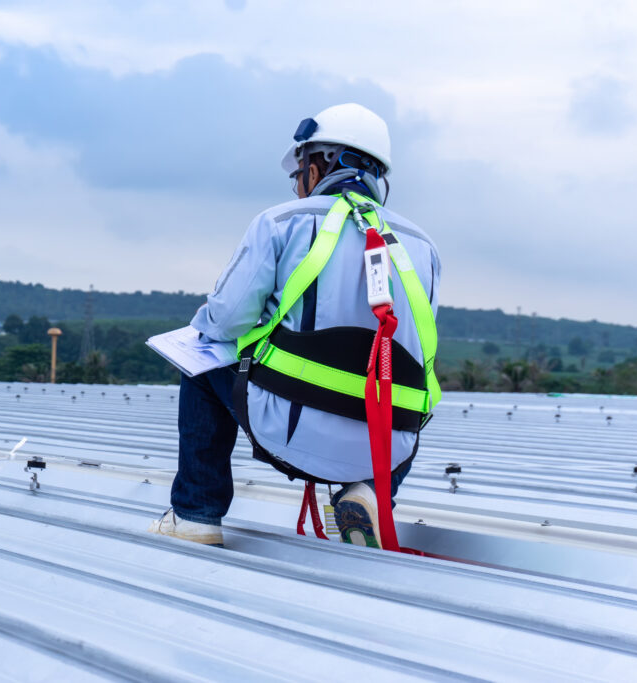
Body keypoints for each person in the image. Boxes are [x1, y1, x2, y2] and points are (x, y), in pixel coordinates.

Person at [149, 103, 441, 549]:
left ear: (322, 162)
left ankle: (196, 514)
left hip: (290, 427)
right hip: (384, 447)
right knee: (410, 394)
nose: (297, 183)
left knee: (201, 361)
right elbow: (415, 349)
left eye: (300, 169)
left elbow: (227, 322)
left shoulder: (281, 221)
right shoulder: (423, 246)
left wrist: (204, 327)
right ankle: (371, 494)